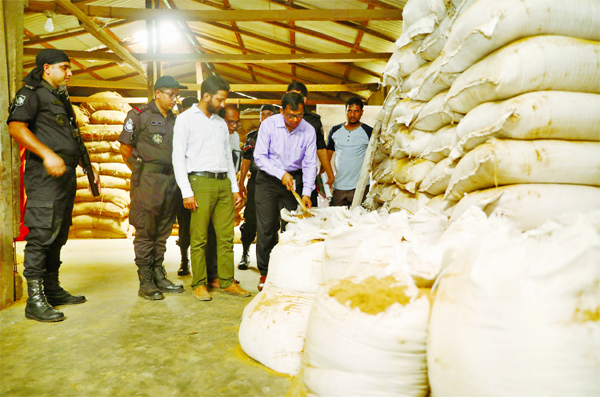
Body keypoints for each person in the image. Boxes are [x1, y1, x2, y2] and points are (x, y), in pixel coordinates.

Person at [7, 49, 100, 322]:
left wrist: (88, 168)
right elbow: (16, 127)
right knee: (42, 233)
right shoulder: (32, 93)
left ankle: (52, 289)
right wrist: (47, 154)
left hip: (66, 174)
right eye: (64, 67)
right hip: (45, 174)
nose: (69, 73)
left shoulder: (59, 96)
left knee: (58, 233)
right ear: (47, 68)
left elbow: (72, 136)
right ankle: (34, 300)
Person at [173, 76, 251, 301]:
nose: (222, 104)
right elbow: (178, 158)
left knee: (226, 236)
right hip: (199, 182)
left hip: (223, 184)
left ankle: (226, 281)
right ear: (206, 96)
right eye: (219, 99)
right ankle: (198, 284)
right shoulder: (186, 120)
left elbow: (228, 158)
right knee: (199, 237)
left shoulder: (219, 123)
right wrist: (186, 191)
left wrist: (235, 188)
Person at [118, 75, 185, 300]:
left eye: (177, 95)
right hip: (147, 179)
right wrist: (139, 172)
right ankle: (145, 279)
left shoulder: (177, 120)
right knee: (146, 229)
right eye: (170, 94)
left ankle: (158, 273)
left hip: (171, 180)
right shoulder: (139, 116)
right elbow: (125, 147)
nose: (174, 99)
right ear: (157, 93)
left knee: (163, 229)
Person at [254, 92, 317, 291]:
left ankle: (290, 270)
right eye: (290, 116)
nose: (295, 120)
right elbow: (260, 157)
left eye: (299, 115)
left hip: (294, 180)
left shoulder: (308, 130)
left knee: (295, 226)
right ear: (282, 111)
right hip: (268, 179)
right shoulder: (269, 125)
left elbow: (309, 164)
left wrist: (306, 192)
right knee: (266, 227)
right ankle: (265, 272)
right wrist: (280, 173)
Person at [237, 104, 275, 270]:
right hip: (256, 180)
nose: (265, 117)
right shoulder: (252, 136)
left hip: (274, 181)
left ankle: (270, 258)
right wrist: (241, 183)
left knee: (271, 221)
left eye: (269, 114)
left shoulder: (280, 134)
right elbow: (245, 160)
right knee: (250, 217)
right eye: (263, 114)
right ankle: (245, 254)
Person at [286, 82, 334, 206]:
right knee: (286, 212)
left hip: (305, 174)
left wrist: (329, 173)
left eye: (296, 96)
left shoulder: (313, 121)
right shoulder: (279, 119)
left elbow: (321, 149)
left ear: (305, 100)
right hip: (284, 175)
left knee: (308, 211)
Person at [327, 97, 373, 208]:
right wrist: (327, 177)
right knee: (335, 220)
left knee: (360, 220)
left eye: (356, 111)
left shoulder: (368, 131)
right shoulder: (335, 130)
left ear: (362, 112)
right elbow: (327, 157)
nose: (352, 114)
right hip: (338, 187)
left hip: (360, 187)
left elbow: (375, 156)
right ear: (345, 111)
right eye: (349, 111)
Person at [218, 105, 242, 172]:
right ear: (220, 119)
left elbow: (237, 157)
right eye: (230, 122)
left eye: (237, 122)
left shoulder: (235, 136)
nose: (234, 126)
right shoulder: (212, 135)